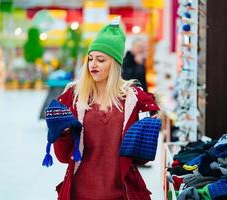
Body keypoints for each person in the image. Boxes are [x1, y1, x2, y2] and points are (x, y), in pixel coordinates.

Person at [52, 17, 160, 200]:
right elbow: (63, 157)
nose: (93, 64)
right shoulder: (75, 97)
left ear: (116, 64)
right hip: (79, 192)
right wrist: (61, 133)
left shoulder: (132, 99)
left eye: (101, 60)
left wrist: (149, 131)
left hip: (122, 193)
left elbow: (141, 159)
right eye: (90, 59)